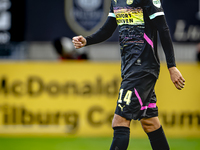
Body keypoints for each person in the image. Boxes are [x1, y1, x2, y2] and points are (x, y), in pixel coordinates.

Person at [72, 0, 185, 149]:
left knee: (120, 121)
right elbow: (108, 29)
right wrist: (87, 40)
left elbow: (163, 29)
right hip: (129, 68)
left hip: (142, 68)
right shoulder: (116, 1)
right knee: (150, 122)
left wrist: (172, 67)